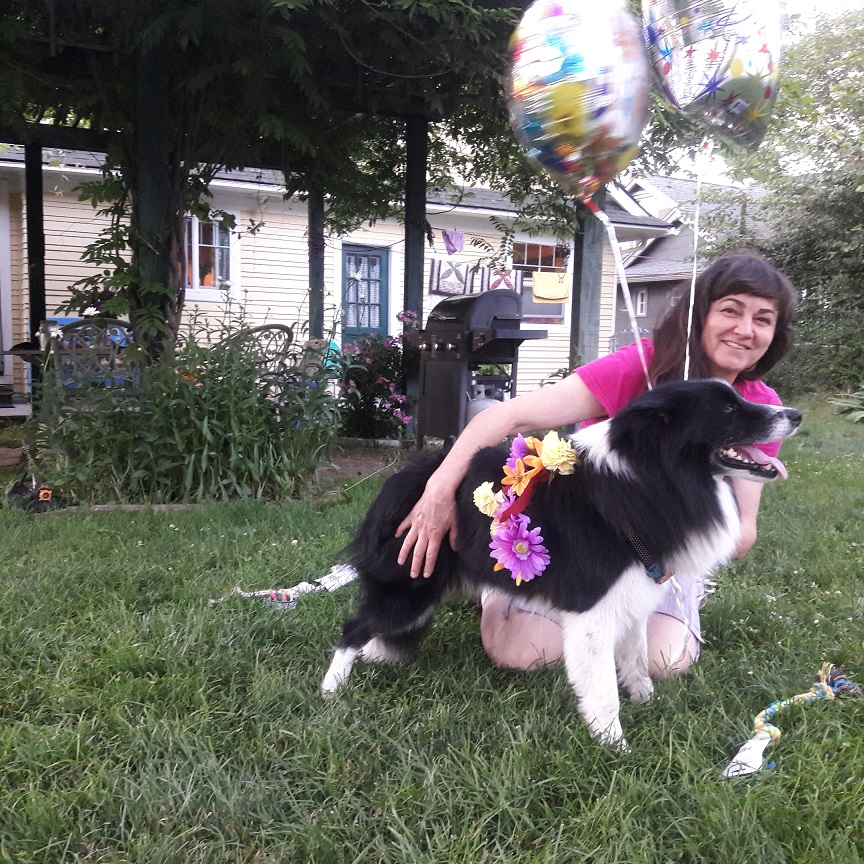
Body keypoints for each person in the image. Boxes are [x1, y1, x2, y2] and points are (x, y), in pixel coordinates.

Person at [396, 251, 796, 679]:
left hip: (662, 559)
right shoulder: (640, 365)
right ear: (699, 316)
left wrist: (683, 550)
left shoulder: (761, 410)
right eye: (730, 311)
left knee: (663, 661)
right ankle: (499, 585)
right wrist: (438, 491)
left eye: (763, 319)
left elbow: (744, 530)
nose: (745, 329)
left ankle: (681, 597)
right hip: (577, 542)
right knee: (527, 654)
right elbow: (504, 417)